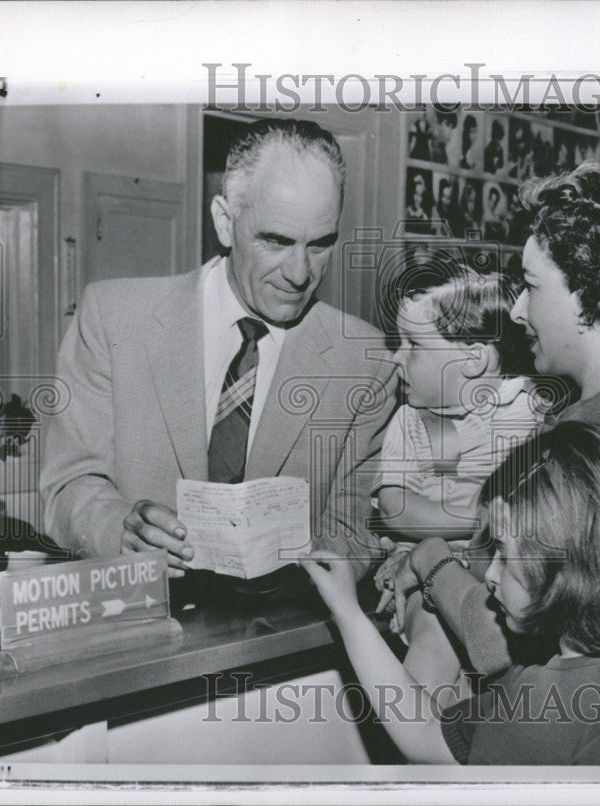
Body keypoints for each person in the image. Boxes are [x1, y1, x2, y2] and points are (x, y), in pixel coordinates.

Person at [40, 118, 398, 587]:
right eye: (276, 240)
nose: (299, 273)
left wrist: (314, 569)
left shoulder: (364, 361)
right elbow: (67, 487)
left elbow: (354, 533)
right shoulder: (112, 318)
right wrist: (120, 529)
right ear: (225, 222)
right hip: (138, 625)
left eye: (321, 244)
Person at [382, 162, 600, 676]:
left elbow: (512, 643)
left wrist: (432, 562)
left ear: (586, 293)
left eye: (532, 286)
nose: (517, 310)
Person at [301, 421, 600, 765]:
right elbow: (423, 734)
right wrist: (346, 611)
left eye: (504, 553)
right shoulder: (538, 673)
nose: (489, 574)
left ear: (564, 564)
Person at [371, 262, 544, 699]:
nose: (396, 357)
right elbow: (394, 507)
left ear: (474, 358)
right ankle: (417, 751)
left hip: (506, 576)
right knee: (433, 655)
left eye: (414, 345)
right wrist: (485, 521)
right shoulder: (409, 419)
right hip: (424, 573)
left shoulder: (525, 405)